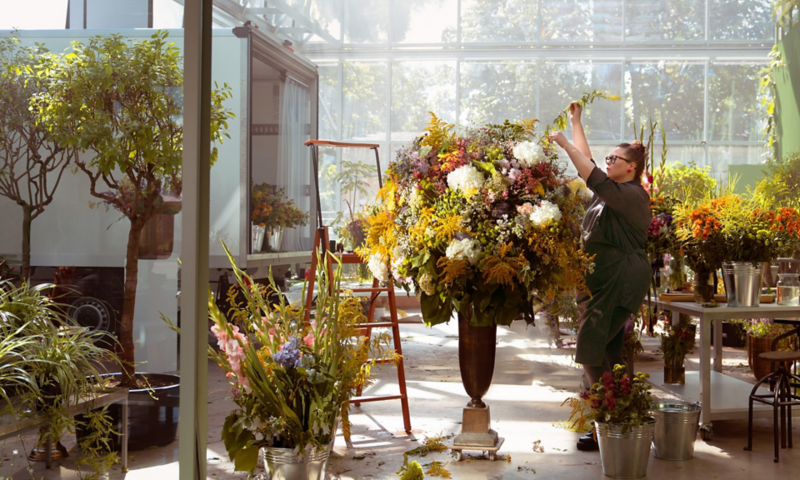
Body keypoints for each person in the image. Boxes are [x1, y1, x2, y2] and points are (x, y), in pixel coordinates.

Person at [548, 103, 651, 452]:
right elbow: (589, 165)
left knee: (590, 349)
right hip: (600, 280)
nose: (607, 163)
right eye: (607, 159)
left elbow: (587, 170)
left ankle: (609, 416)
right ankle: (613, 423)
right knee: (607, 350)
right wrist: (577, 123)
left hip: (619, 280)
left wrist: (564, 142)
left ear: (631, 168)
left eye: (614, 159)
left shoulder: (633, 196)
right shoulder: (607, 194)